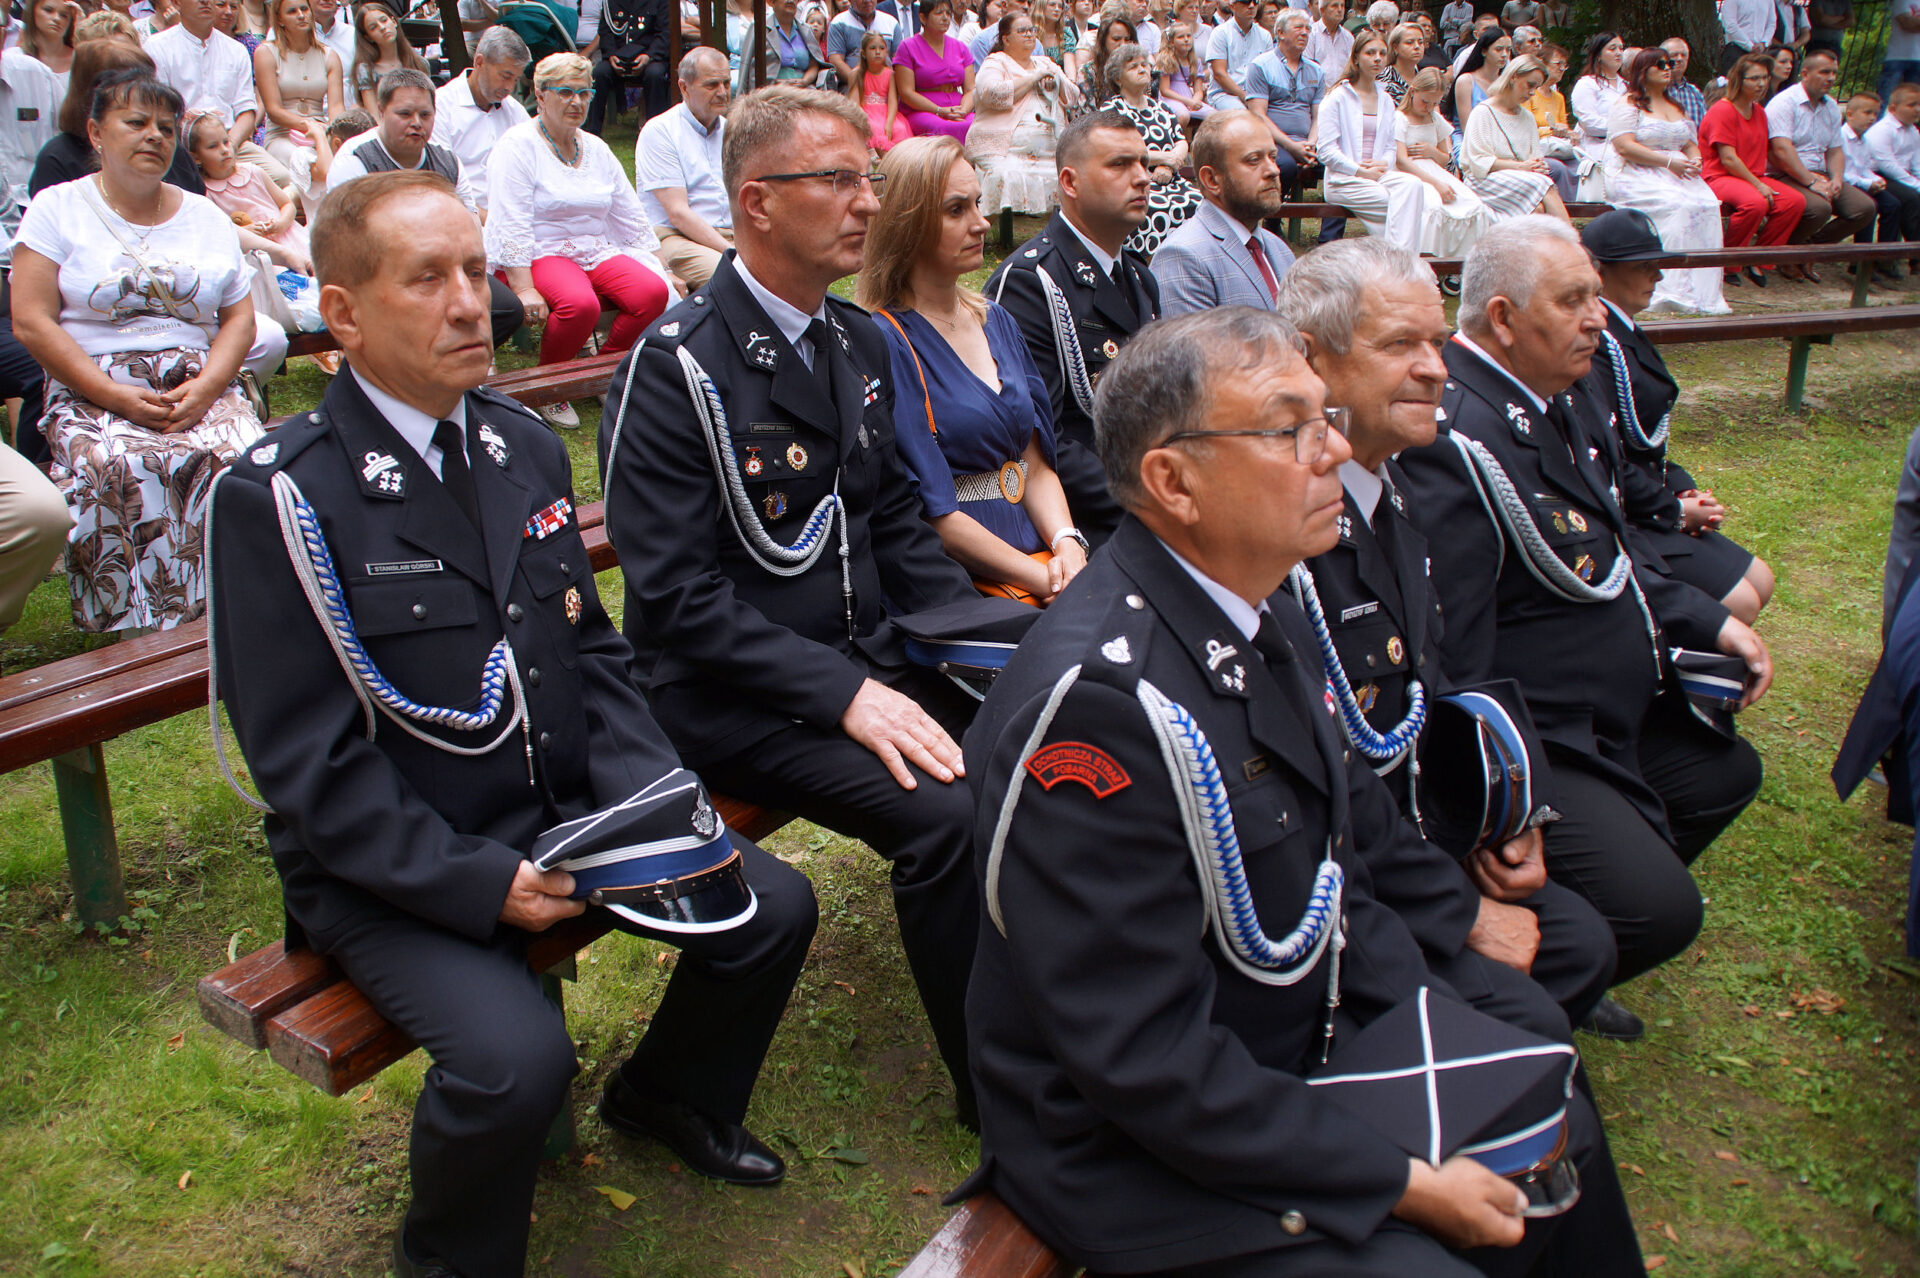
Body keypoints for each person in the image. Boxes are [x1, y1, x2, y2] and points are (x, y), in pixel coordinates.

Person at [208, 167, 818, 1278]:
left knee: (770, 908)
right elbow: (307, 764)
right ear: (341, 313)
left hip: (561, 809)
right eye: (426, 279)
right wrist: (479, 884)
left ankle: (668, 1096)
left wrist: (656, 802)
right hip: (396, 862)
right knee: (513, 1064)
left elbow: (590, 652)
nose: (472, 305)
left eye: (476, 271)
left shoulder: (518, 443)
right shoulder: (282, 496)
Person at [960, 303, 1647, 1277]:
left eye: (1326, 417)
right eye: (1292, 429)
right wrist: (1399, 1179)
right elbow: (1143, 1059)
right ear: (1174, 482)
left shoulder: (1258, 603)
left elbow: (1347, 852)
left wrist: (1443, 1018)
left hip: (1294, 1035)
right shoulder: (1101, 709)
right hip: (1145, 1148)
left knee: (1543, 1089)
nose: (1337, 449)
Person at [600, 84, 1001, 1129]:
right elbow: (676, 598)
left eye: (869, 178)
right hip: (728, 690)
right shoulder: (678, 368)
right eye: (838, 180)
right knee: (947, 815)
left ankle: (1047, 1017)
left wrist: (990, 645)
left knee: (1032, 733)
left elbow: (896, 523)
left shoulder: (855, 341)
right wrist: (847, 697)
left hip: (866, 656)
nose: (868, 201)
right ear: (758, 202)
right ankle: (999, 1094)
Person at [1396, 215, 1770, 999]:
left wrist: (1708, 620)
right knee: (1661, 911)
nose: (1598, 319)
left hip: (1609, 709)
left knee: (1724, 774)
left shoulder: (1564, 393)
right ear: (1504, 318)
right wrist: (1508, 801)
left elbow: (1610, 551)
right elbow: (1455, 649)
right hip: (1547, 730)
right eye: (1573, 300)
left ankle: (1587, 924)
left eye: (1596, 296)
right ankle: (1542, 978)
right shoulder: (1457, 438)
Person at [1276, 237, 1620, 1035]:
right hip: (1338, 877)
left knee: (1583, 944)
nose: (1435, 369)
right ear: (1311, 359)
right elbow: (1319, 776)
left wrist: (1512, 812)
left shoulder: (1394, 481)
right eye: (1401, 344)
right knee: (1540, 1008)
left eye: (1436, 342)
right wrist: (1455, 908)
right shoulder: (1285, 529)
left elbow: (1446, 671)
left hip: (1418, 824)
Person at [12, 70, 266, 634]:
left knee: (243, 459)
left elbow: (239, 319)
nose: (154, 135)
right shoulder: (57, 208)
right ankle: (139, 631)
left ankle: (238, 615)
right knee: (118, 465)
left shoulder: (204, 215)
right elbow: (31, 319)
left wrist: (207, 388)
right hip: (92, 384)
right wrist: (111, 395)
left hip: (197, 381)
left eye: (166, 128)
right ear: (96, 132)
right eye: (136, 122)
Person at [856, 136, 1088, 603]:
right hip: (961, 583)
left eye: (978, 204)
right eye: (956, 210)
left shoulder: (996, 320)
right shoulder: (884, 339)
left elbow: (1033, 466)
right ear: (908, 223)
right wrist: (1045, 580)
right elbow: (935, 513)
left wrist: (1067, 543)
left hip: (1041, 560)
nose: (981, 223)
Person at [1579, 208, 1774, 625]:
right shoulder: (1597, 345)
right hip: (1625, 513)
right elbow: (1607, 453)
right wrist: (1675, 511)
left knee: (1761, 578)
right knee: (1742, 601)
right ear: (1599, 271)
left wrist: (1682, 486)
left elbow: (1648, 441)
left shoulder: (1622, 331)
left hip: (1647, 494)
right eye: (1643, 267)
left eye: (1657, 264)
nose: (1659, 276)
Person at [987, 109, 1159, 543]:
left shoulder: (1140, 279)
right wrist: (1153, 501)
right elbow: (1041, 441)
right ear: (1070, 182)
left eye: (1143, 163)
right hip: (1084, 522)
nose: (1142, 178)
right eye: (1120, 164)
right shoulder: (1032, 282)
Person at [485, 52, 673, 392]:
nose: (577, 102)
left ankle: (603, 373)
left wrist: (663, 266)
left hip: (594, 248)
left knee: (653, 292)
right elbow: (511, 220)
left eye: (585, 93)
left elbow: (628, 212)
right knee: (580, 305)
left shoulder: (597, 148)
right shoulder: (517, 146)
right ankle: (548, 386)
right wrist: (524, 288)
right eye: (566, 92)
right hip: (541, 251)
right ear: (541, 95)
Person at [328, 69, 526, 357]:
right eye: (404, 114)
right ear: (381, 111)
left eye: (425, 114)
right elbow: (351, 241)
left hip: (444, 267)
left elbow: (469, 223)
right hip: (378, 273)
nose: (416, 123)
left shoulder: (446, 161)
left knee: (507, 309)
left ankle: (441, 357)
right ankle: (410, 363)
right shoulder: (355, 160)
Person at [1603, 47, 1728, 315]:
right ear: (1643, 70)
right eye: (1660, 64)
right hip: (1639, 171)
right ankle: (1670, 287)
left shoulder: (1675, 106)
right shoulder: (1629, 104)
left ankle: (1702, 291)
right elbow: (1624, 146)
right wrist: (1668, 163)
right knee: (1677, 206)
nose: (1667, 68)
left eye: (1669, 63)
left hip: (1680, 173)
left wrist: (1696, 159)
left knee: (1707, 206)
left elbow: (1689, 143)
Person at [1151, 108, 1296, 313]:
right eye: (1253, 160)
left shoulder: (1279, 249)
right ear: (1211, 179)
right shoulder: (1183, 257)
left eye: (1272, 157)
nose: (1273, 170)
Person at [147, 0, 291, 187]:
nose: (206, 2)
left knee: (281, 177)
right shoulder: (157, 47)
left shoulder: (235, 50)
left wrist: (229, 146)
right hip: (181, 146)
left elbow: (246, 112)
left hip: (231, 140)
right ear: (177, 3)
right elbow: (160, 111)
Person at [1318, 31, 1431, 251]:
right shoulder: (1337, 97)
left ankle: (1396, 257)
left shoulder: (1386, 99)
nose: (1377, 58)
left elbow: (1390, 146)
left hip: (1378, 175)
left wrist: (1384, 163)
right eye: (1370, 53)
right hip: (1344, 179)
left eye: (1382, 53)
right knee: (1402, 205)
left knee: (1414, 186)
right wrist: (1360, 171)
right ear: (1356, 58)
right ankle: (1401, 259)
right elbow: (1326, 150)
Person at [1702, 52, 1806, 287]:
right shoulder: (1723, 110)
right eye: (1754, 78)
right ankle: (1728, 262)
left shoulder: (1759, 111)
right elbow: (1728, 159)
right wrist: (1758, 185)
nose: (1761, 84)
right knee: (1755, 203)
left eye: (1765, 78)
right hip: (1719, 176)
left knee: (1794, 202)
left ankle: (1759, 258)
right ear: (1739, 80)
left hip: (1750, 176)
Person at [636, 47, 733, 289]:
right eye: (711, 85)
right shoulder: (660, 131)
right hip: (675, 236)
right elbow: (678, 213)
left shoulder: (731, 130)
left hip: (730, 234)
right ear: (684, 87)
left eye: (726, 83)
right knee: (735, 278)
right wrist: (733, 252)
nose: (722, 92)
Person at [1767, 46, 1876, 251]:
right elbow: (1781, 150)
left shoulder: (1832, 107)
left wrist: (1836, 179)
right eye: (1825, 72)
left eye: (1834, 72)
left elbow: (1835, 150)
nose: (1831, 78)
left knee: (1863, 208)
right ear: (1805, 74)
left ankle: (1810, 248)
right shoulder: (1784, 103)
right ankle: (1785, 251)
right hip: (1785, 173)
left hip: (1821, 173)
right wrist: (1811, 182)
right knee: (1819, 209)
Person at [967, 12, 1078, 212]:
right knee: (1004, 174)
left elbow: (1073, 96)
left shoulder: (1045, 63)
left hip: (1050, 146)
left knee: (1074, 172)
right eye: (1022, 31)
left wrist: (1056, 80)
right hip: (1006, 148)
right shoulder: (996, 61)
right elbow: (990, 93)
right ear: (1006, 39)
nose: (1029, 34)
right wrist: (1033, 78)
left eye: (1032, 30)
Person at [1099, 41, 1200, 252]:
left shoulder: (1161, 107)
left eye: (1144, 64)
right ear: (1118, 78)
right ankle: (1147, 263)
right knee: (1153, 209)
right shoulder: (1112, 109)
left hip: (1171, 179)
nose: (1142, 69)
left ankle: (1188, 258)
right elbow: (1120, 150)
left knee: (1200, 204)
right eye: (1133, 66)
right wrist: (1165, 158)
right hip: (1134, 181)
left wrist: (1169, 166)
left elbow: (1181, 141)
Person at [187, 107, 312, 274]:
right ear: (196, 156)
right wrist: (247, 232)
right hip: (258, 252)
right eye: (212, 146)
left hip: (289, 235)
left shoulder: (253, 172)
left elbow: (287, 204)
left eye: (226, 141)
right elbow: (220, 231)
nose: (224, 150)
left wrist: (282, 222)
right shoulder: (207, 192)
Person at [432, 25, 532, 213]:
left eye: (516, 80)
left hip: (514, 213)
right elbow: (442, 184)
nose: (509, 87)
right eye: (505, 76)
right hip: (460, 214)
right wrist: (489, 221)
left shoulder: (513, 110)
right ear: (479, 62)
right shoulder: (442, 107)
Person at [1396, 67, 1491, 256]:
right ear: (1413, 91)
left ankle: (1461, 259)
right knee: (1435, 207)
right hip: (1412, 173)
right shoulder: (1400, 119)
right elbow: (1401, 161)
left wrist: (1432, 152)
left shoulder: (1434, 118)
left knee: (1473, 204)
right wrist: (1436, 184)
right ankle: (1428, 256)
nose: (1429, 107)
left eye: (1434, 103)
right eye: (1425, 102)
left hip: (1434, 170)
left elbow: (1444, 157)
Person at [1463, 54, 1570, 220]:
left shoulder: (1527, 117)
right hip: (1484, 180)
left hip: (1520, 179)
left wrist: (1537, 166)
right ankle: (1571, 236)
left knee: (1538, 209)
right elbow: (1479, 162)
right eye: (1530, 85)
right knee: (1545, 185)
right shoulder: (1483, 112)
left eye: (1536, 87)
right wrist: (1521, 167)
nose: (1532, 92)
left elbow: (1535, 156)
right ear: (1513, 77)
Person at [251, 0, 342, 172]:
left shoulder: (329, 55)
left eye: (304, 9)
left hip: (323, 132)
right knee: (311, 164)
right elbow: (274, 111)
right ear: (279, 19)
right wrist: (311, 127)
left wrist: (332, 132)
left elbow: (336, 107)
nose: (301, 15)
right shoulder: (266, 53)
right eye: (292, 11)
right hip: (281, 135)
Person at [1243, 9, 1324, 197]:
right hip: (1271, 141)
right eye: (1298, 28)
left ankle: (1328, 218)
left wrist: (1311, 144)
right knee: (1285, 167)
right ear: (1280, 33)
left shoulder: (1316, 70)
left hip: (1307, 141)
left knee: (1337, 165)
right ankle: (1273, 211)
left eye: (1307, 28)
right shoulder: (1261, 66)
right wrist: (1291, 146)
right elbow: (1258, 115)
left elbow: (1319, 115)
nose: (1304, 33)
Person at [1843, 90, 1920, 274]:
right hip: (1855, 182)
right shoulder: (1852, 135)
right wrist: (1870, 182)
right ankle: (1860, 262)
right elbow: (1849, 173)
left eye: (1875, 114)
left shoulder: (1865, 138)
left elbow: (1865, 167)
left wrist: (1875, 180)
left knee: (1893, 205)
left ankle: (1885, 257)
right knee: (1874, 205)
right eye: (1867, 113)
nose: (1872, 118)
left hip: (1869, 179)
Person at [583, 0, 671, 133]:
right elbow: (605, 32)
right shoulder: (610, 2)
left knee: (655, 73)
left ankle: (656, 131)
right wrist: (611, 55)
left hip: (649, 56)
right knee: (599, 72)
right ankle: (592, 131)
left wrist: (649, 56)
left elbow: (665, 33)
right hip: (619, 56)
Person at [894, 0, 976, 138]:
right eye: (939, 13)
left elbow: (970, 89)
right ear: (923, 18)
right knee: (942, 127)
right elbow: (906, 92)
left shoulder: (960, 47)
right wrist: (939, 110)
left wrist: (963, 111)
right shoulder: (907, 47)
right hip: (922, 110)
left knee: (978, 124)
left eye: (948, 13)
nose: (945, 18)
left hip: (958, 108)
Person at [1866, 81, 1920, 275]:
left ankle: (1904, 255)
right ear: (1893, 108)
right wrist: (1915, 185)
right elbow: (1887, 165)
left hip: (1902, 177)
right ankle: (1913, 255)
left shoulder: (1913, 131)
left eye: (1919, 105)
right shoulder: (1883, 130)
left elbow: (1917, 163)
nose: (1917, 109)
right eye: (1911, 105)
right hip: (1878, 176)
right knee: (1911, 199)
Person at [347, 3, 427, 115]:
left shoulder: (419, 63)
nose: (382, 27)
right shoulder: (366, 70)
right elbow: (374, 116)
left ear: (394, 21)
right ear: (368, 37)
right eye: (373, 27)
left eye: (384, 20)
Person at [1569, 29, 1624, 173]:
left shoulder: (1627, 86)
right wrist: (1624, 127)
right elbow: (1589, 123)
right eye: (1612, 49)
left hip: (1628, 142)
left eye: (1621, 48)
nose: (1618, 53)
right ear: (1598, 55)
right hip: (1599, 147)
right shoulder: (1587, 84)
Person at [1205, 0, 1272, 111]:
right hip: (1225, 94)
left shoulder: (1265, 35)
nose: (1251, 6)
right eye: (1245, 1)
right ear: (1232, 6)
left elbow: (1268, 72)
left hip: (1256, 94)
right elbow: (1219, 74)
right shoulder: (1220, 33)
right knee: (1242, 115)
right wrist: (1243, 95)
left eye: (1255, 1)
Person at [854, 31, 914, 152]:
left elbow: (892, 100)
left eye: (882, 48)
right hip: (866, 113)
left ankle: (896, 156)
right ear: (863, 53)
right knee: (874, 128)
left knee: (900, 128)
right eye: (872, 48)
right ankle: (878, 154)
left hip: (886, 113)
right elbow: (854, 101)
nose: (878, 52)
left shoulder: (890, 74)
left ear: (886, 51)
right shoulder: (858, 73)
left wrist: (889, 122)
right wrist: (861, 116)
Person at [827, 0, 902, 89]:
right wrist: (862, 85)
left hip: (887, 87)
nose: (867, 1)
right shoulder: (838, 23)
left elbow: (899, 62)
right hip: (852, 87)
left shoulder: (891, 23)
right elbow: (836, 61)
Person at [755, 0, 830, 85]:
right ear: (772, 2)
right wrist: (779, 83)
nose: (790, 1)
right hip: (771, 89)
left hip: (804, 88)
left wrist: (804, 81)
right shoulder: (759, 28)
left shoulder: (806, 30)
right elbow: (749, 68)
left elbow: (814, 64)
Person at [1077, 11, 1135, 111]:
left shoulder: (1137, 69)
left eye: (1127, 39)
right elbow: (1088, 114)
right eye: (1116, 39)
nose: (1123, 45)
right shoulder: (1087, 72)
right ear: (1103, 41)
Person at [1155, 19, 1209, 123]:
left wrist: (1195, 100)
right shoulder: (1167, 60)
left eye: (1189, 36)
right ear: (1172, 42)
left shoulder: (1195, 61)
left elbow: (1198, 90)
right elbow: (1165, 91)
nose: (1186, 40)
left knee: (1214, 115)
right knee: (1183, 115)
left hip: (1189, 97)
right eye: (1181, 37)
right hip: (1171, 98)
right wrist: (1188, 101)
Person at [19, 0, 75, 94]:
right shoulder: (16, 57)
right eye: (48, 10)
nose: (57, 18)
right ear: (32, 11)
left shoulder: (80, 58)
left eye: (64, 15)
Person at [1882, 0, 1920, 109]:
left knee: (1913, 104)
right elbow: (1907, 24)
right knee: (1887, 101)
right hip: (1896, 58)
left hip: (1917, 58)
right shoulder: (1902, 1)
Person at [1719, 0, 1776, 72]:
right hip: (1737, 49)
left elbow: (1771, 24)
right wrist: (1750, 46)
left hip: (1760, 51)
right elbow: (1730, 25)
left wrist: (1764, 43)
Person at [1661, 37, 1707, 126]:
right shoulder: (1656, 91)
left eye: (1683, 55)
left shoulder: (1694, 92)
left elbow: (1704, 126)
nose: (1679, 59)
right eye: (1674, 55)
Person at [1378, 19, 1422, 103]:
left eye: (1420, 42)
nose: (1417, 46)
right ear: (1395, 47)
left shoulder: (1423, 78)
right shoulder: (1383, 77)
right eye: (1409, 42)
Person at [1304, 0, 1350, 78]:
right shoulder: (1311, 34)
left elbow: (1352, 68)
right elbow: (1307, 68)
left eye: (1342, 6)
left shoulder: (1348, 37)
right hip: (1317, 84)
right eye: (1334, 6)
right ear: (1322, 10)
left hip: (1344, 85)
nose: (1340, 10)